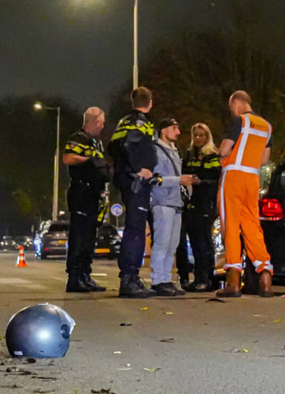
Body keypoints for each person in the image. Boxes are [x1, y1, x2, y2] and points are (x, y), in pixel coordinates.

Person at [217, 90, 274, 298]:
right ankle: (265, 274)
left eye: (231, 106)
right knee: (252, 226)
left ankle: (233, 279)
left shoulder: (240, 121)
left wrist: (220, 153)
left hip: (233, 177)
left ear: (237, 102)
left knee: (230, 225)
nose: (231, 111)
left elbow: (225, 149)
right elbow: (265, 159)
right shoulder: (267, 126)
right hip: (252, 179)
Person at [112, 87, 159, 298]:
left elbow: (115, 147)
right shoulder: (139, 122)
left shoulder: (124, 121)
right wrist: (138, 169)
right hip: (136, 181)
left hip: (129, 179)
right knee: (135, 230)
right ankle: (129, 278)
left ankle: (130, 276)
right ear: (150, 102)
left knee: (135, 228)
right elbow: (129, 145)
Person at [63, 107, 111, 293]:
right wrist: (88, 159)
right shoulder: (79, 138)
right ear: (94, 121)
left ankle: (85, 275)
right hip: (81, 192)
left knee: (90, 237)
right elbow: (68, 158)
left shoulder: (95, 142)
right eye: (102, 122)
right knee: (80, 236)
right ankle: (74, 278)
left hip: (93, 194)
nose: (103, 125)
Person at [150, 118, 196, 297]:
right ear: (164, 130)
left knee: (172, 244)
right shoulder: (156, 151)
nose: (178, 132)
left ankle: (166, 278)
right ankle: (158, 280)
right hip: (163, 202)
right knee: (162, 242)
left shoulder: (173, 151)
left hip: (175, 203)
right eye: (174, 128)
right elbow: (154, 179)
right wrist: (179, 180)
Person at [176, 123, 222, 291]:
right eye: (195, 135)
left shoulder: (212, 156)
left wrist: (200, 182)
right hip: (190, 202)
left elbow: (216, 181)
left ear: (207, 137)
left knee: (204, 242)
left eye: (201, 135)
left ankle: (207, 279)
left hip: (205, 203)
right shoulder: (189, 154)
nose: (198, 138)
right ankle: (198, 278)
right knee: (194, 243)